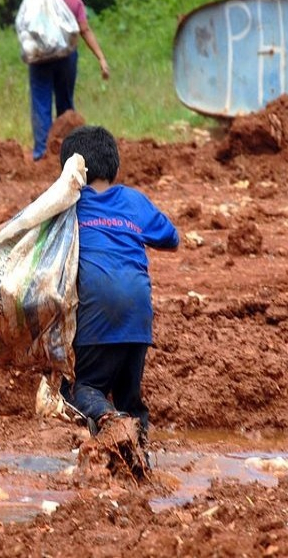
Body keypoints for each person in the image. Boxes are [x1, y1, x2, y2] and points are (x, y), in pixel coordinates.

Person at [58, 125, 178, 454]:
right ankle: (138, 462)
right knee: (131, 397)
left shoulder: (67, 206)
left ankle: (110, 420)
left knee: (81, 388)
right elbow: (171, 237)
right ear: (116, 167)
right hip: (138, 316)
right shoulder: (132, 201)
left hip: (96, 313)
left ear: (70, 172)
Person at [26, 0, 110, 161]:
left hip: (39, 58)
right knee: (65, 104)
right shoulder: (73, 0)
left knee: (41, 103)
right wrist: (101, 58)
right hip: (66, 59)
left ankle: (42, 153)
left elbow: (26, 26)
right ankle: (68, 154)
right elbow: (85, 30)